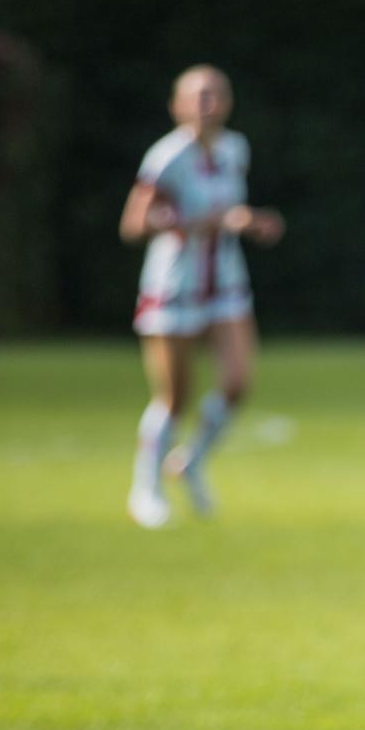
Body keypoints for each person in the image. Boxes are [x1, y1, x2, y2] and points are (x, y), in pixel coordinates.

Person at [119, 64, 284, 528]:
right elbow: (134, 224)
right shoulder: (166, 157)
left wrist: (252, 222)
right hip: (174, 287)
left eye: (215, 94)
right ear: (177, 105)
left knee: (237, 383)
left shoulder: (235, 149)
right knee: (175, 396)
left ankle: (190, 461)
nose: (206, 103)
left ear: (228, 102)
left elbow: (231, 211)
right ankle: (146, 488)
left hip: (226, 284)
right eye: (197, 95)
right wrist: (198, 223)